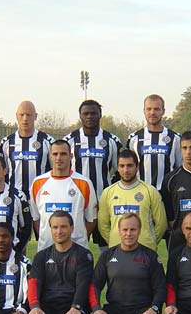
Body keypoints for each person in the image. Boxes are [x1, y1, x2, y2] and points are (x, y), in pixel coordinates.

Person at [64, 99, 123, 248]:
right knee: (75, 243)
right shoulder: (69, 141)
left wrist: (110, 191)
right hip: (76, 201)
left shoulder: (111, 141)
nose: (89, 116)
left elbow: (120, 171)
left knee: (106, 243)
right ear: (80, 116)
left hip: (104, 201)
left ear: (100, 115)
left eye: (93, 113)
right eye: (86, 114)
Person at [30, 140, 97, 252]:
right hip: (47, 250)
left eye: (63, 154)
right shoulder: (38, 183)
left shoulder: (84, 183)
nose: (58, 158)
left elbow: (91, 220)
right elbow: (36, 219)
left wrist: (77, 237)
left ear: (71, 156)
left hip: (76, 250)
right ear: (50, 156)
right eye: (55, 154)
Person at [97, 149, 167, 251]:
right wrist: (114, 241)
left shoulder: (150, 191)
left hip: (145, 251)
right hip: (117, 251)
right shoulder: (108, 192)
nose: (126, 170)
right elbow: (103, 225)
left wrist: (149, 242)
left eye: (130, 165)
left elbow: (161, 224)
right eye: (122, 166)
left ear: (137, 167)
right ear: (118, 168)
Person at [0, 100, 54, 199]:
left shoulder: (47, 141)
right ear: (16, 116)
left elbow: (54, 170)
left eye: (28, 115)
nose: (25, 118)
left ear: (35, 116)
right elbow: (3, 172)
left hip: (41, 196)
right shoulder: (6, 142)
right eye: (21, 115)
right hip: (14, 198)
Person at [127, 94, 181, 191]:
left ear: (163, 111)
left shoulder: (175, 138)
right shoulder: (134, 138)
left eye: (156, 109)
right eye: (149, 109)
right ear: (144, 111)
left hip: (167, 194)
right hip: (141, 194)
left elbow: (180, 167)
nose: (152, 112)